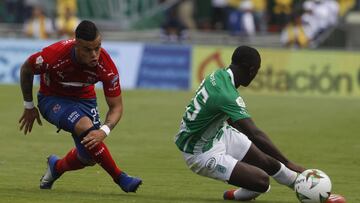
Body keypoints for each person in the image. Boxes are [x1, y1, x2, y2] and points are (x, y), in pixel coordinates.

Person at [18, 20, 142, 193]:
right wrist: (29, 105)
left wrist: (104, 130)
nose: (94, 55)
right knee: (85, 126)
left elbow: (116, 107)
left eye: (97, 48)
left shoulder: (106, 66)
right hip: (52, 99)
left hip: (85, 100)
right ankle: (120, 178)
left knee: (89, 157)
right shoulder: (54, 55)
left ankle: (56, 167)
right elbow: (26, 69)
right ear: (76, 45)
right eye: (87, 49)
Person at [174, 46, 305, 201]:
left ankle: (308, 188)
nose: (256, 75)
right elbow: (254, 133)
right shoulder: (227, 95)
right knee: (262, 181)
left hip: (219, 133)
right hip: (199, 152)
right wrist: (289, 162)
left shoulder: (218, 75)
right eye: (256, 70)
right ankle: (235, 195)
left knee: (268, 162)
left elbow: (220, 113)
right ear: (250, 70)